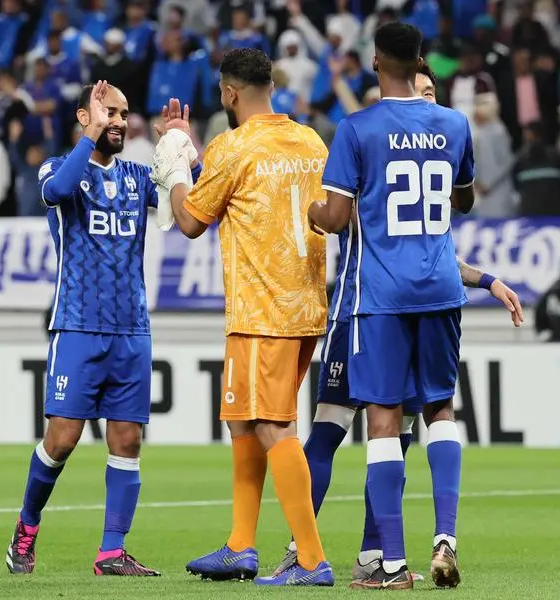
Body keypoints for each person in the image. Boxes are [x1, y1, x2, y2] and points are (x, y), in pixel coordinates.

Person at [273, 62, 524, 582]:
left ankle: (372, 555)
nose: (426, 102)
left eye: (432, 93)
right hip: (364, 313)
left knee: (390, 428)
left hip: (381, 308)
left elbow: (404, 243)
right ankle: (309, 551)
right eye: (422, 92)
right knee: (338, 431)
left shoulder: (393, 142)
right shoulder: (385, 149)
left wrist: (487, 279)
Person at [151, 47, 334, 586]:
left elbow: (188, 220)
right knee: (243, 420)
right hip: (305, 306)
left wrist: (176, 162)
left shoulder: (232, 147)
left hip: (261, 309)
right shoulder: (310, 140)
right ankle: (240, 545)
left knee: (272, 426)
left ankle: (310, 559)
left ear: (229, 93)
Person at [4, 81, 200, 577]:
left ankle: (111, 552)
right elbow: (58, 191)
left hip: (132, 329)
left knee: (127, 441)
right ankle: (25, 530)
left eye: (123, 114)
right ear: (84, 116)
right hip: (77, 326)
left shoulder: (137, 175)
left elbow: (191, 204)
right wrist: (89, 137)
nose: (119, 121)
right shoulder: (60, 167)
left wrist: (182, 149)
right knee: (63, 439)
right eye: (108, 113)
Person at [308, 22, 474, 590]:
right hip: (442, 288)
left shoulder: (357, 128)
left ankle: (394, 566)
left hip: (381, 296)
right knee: (440, 412)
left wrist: (309, 209)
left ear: (376, 62)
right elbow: (465, 196)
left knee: (382, 421)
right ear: (421, 60)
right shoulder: (454, 124)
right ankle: (446, 537)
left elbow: (333, 218)